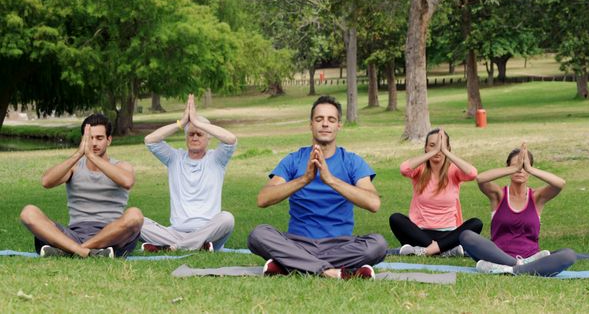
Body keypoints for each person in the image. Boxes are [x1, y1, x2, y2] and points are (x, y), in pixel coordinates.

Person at [247, 96, 387, 279]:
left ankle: (293, 264)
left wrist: (330, 180)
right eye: (319, 119)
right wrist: (304, 179)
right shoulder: (294, 159)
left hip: (340, 245)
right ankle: (329, 271)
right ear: (311, 124)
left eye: (331, 119)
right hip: (298, 243)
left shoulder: (352, 161)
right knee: (258, 234)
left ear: (339, 125)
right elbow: (263, 199)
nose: (325, 124)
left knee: (378, 244)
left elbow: (373, 203)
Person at [20, 114, 143, 258]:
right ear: (83, 139)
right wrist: (79, 154)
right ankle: (89, 252)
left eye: (99, 138)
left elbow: (127, 182)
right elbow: (46, 182)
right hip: (74, 234)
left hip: (111, 235)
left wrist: (91, 156)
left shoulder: (121, 166)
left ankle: (71, 250)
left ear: (109, 140)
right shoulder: (75, 167)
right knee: (28, 213)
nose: (94, 143)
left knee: (135, 215)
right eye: (90, 138)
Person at [459, 143, 577, 276]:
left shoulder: (537, 197)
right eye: (516, 166)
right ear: (508, 168)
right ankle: (519, 266)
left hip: (532, 258)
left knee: (569, 255)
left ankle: (510, 270)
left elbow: (560, 184)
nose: (520, 170)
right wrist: (514, 168)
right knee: (466, 236)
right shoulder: (498, 195)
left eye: (523, 166)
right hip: (497, 256)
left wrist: (530, 169)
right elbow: (481, 179)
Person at [140, 94, 236, 252]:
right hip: (175, 232)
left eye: (200, 134)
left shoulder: (216, 159)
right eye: (191, 134)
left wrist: (197, 122)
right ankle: (195, 246)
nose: (195, 137)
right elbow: (150, 140)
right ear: (186, 137)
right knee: (137, 222)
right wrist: (181, 122)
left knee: (227, 219)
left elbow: (231, 139)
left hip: (209, 234)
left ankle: (174, 248)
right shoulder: (174, 158)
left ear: (208, 137)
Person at [389, 128, 483, 257]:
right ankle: (445, 251)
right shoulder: (420, 169)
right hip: (421, 232)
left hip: (448, 233)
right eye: (432, 145)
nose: (437, 149)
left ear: (448, 148)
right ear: (426, 148)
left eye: (442, 145)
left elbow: (473, 173)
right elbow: (404, 169)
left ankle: (426, 250)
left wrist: (445, 152)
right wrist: (432, 152)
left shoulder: (454, 170)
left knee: (476, 223)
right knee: (395, 219)